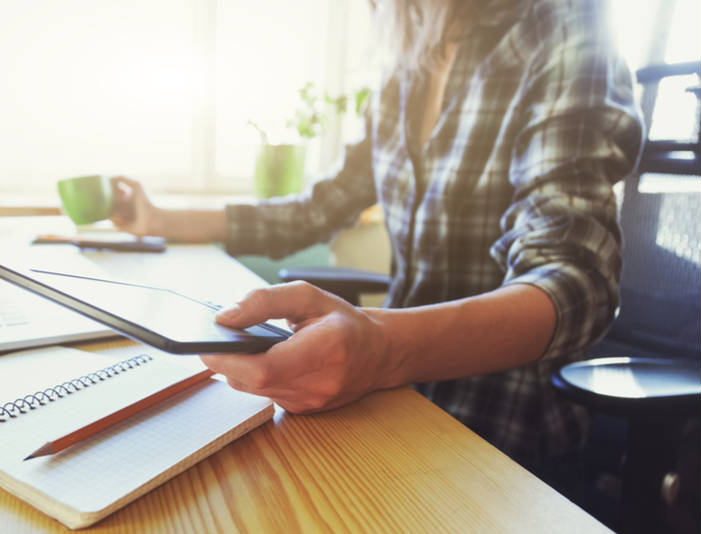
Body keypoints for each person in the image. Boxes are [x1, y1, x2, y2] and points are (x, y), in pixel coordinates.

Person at [110, 0, 643, 480]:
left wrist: (383, 349)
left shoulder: (566, 27)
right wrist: (160, 219)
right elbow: (317, 209)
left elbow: (576, 283)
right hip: (388, 402)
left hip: (500, 432)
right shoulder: (405, 70)